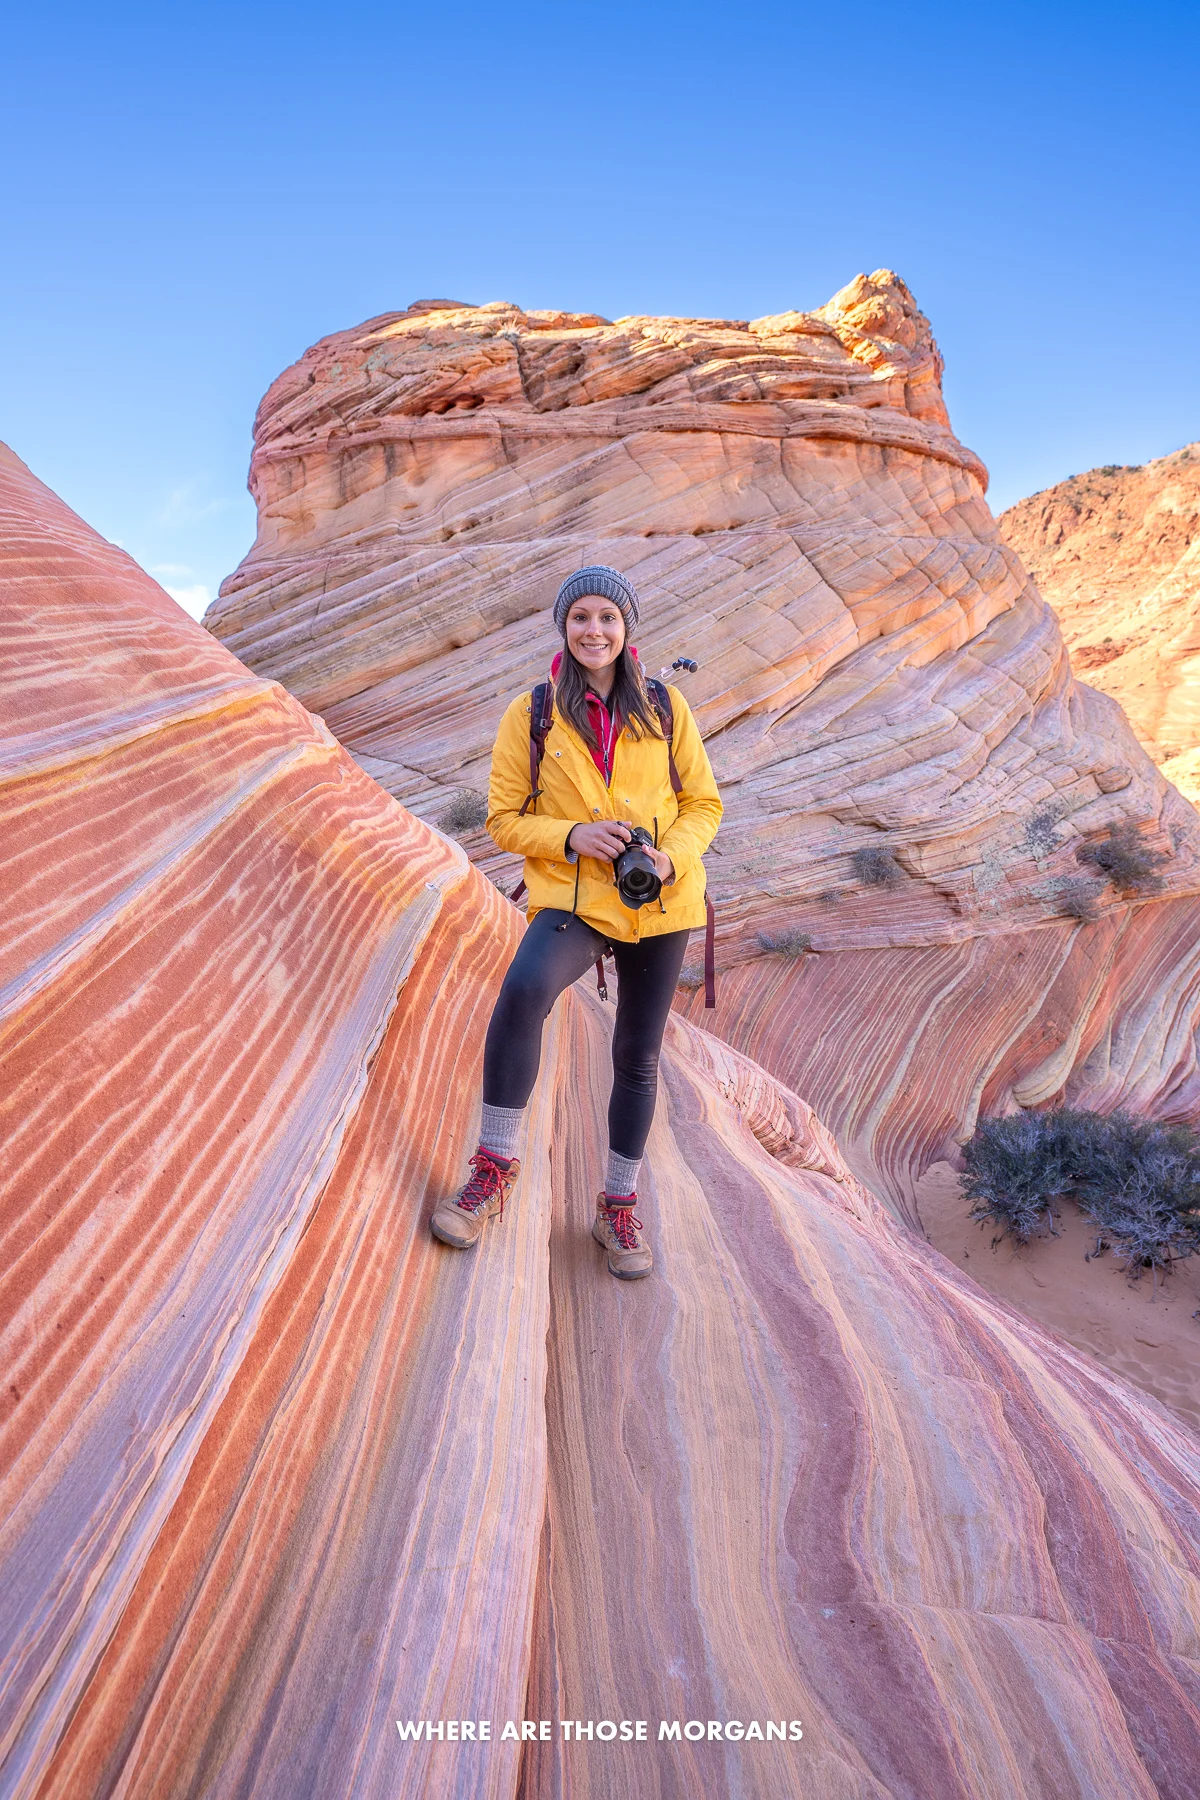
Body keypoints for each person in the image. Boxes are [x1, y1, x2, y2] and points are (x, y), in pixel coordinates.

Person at [430, 565, 722, 1278]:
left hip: (660, 899)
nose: (595, 631)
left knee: (638, 1055)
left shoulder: (664, 706)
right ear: (564, 627)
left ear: (627, 629)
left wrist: (669, 859)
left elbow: (703, 805)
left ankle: (617, 1207)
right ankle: (494, 1167)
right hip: (574, 896)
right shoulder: (531, 714)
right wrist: (570, 837)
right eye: (581, 617)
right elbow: (503, 819)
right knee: (525, 991)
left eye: (608, 618)